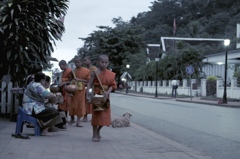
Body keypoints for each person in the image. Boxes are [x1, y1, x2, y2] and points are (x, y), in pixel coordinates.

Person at [86, 54, 117, 142]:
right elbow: (89, 84)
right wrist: (88, 95)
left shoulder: (110, 74)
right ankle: (94, 135)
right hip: (96, 97)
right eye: (102, 62)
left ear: (108, 63)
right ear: (98, 62)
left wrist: (107, 92)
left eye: (106, 62)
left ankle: (98, 131)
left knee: (105, 117)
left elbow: (113, 85)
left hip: (105, 97)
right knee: (96, 116)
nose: (104, 64)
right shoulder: (94, 73)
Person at [69, 57, 90, 127]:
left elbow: (88, 81)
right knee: (72, 105)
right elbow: (70, 80)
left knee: (80, 106)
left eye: (78, 62)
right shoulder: (73, 71)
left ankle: (78, 122)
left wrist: (80, 80)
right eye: (75, 62)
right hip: (73, 90)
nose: (77, 64)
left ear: (81, 62)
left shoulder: (86, 71)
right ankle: (72, 119)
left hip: (81, 91)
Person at [82, 56, 97, 122]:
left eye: (86, 60)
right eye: (84, 61)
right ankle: (85, 117)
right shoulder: (85, 69)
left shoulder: (94, 69)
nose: (84, 62)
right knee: (85, 102)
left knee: (93, 102)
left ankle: (94, 117)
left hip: (92, 87)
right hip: (86, 87)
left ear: (89, 60)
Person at [58, 60, 72, 128]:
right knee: (61, 107)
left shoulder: (69, 71)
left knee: (64, 107)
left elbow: (71, 81)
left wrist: (63, 83)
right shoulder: (63, 72)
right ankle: (62, 122)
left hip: (67, 91)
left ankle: (64, 123)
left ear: (63, 65)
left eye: (60, 66)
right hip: (63, 91)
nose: (60, 68)